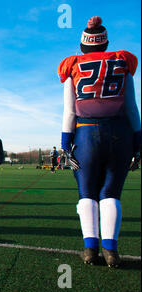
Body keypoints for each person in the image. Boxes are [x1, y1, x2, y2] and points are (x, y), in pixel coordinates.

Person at [58, 16, 140, 267]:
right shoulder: (121, 64)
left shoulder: (73, 66)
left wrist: (65, 144)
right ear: (105, 44)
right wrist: (138, 142)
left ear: (83, 45)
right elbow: (132, 108)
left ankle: (90, 249)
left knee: (86, 193)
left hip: (86, 136)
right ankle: (111, 250)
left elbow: (70, 112)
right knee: (111, 193)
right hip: (120, 134)